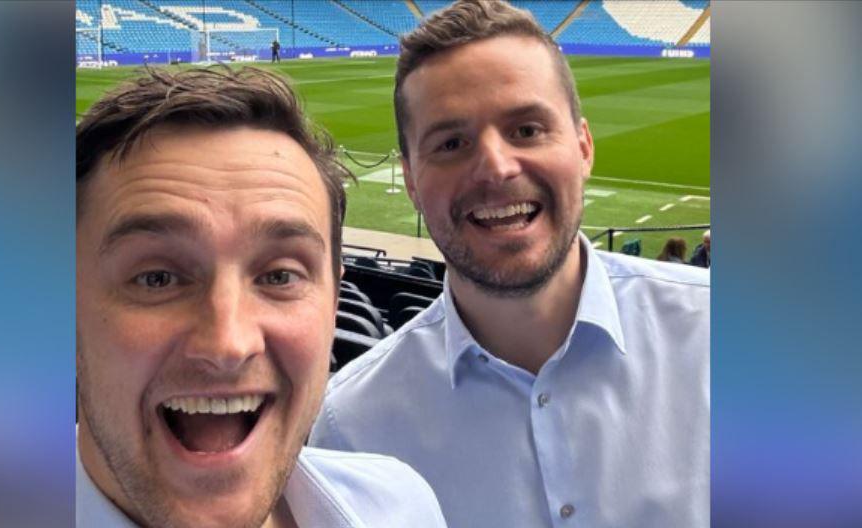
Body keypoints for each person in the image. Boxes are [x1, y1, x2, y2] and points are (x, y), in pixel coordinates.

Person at [309, 1, 710, 527]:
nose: (496, 168)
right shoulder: (349, 430)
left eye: (526, 130)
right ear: (408, 179)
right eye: (451, 143)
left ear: (584, 145)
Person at [76, 66, 446, 528]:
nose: (228, 345)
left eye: (279, 276)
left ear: (334, 302)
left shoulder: (400, 507)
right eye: (156, 279)